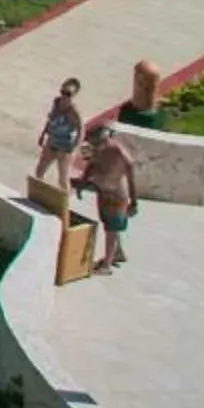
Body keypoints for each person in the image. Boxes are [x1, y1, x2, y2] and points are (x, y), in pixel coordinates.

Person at [75, 123, 139, 270]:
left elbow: (130, 172)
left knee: (111, 229)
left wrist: (134, 201)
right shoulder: (97, 150)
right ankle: (117, 253)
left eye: (95, 142)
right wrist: (83, 183)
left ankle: (106, 265)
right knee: (109, 225)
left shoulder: (118, 151)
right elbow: (91, 166)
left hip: (116, 195)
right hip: (103, 192)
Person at [35, 77, 84, 184]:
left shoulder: (73, 111)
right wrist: (43, 134)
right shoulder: (56, 102)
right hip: (52, 141)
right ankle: (39, 193)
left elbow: (81, 129)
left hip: (65, 146)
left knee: (62, 178)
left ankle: (64, 198)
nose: (64, 96)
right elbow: (51, 118)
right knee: (39, 171)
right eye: (63, 92)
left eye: (68, 94)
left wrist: (76, 146)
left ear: (74, 95)